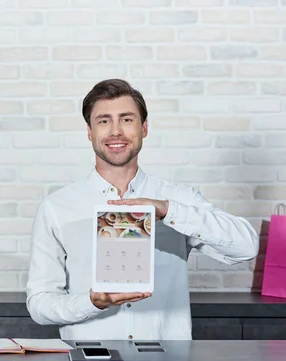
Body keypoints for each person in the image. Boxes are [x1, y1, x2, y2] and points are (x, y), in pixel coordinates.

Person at [25, 78, 259, 341]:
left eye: (126, 119)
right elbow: (40, 305)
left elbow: (246, 247)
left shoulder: (177, 198)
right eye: (104, 121)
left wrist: (169, 212)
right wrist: (92, 302)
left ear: (144, 127)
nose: (115, 131)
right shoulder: (57, 207)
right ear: (90, 132)